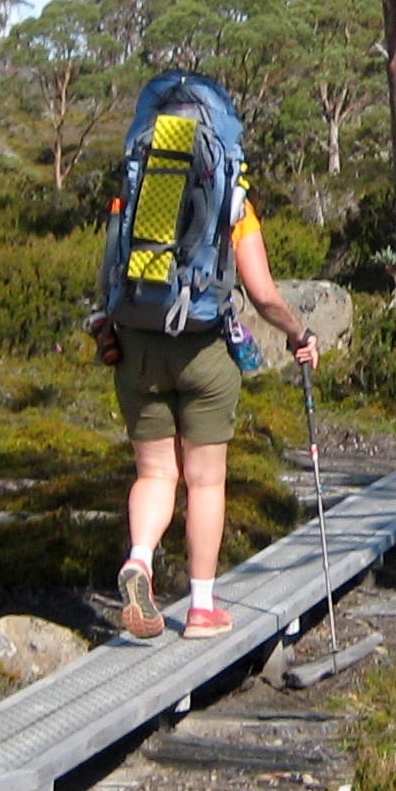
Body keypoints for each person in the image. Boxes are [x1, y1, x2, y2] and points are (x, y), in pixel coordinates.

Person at [108, 147, 317, 640]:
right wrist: (298, 333)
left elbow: (109, 279)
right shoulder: (232, 200)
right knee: (204, 482)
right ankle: (201, 609)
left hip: (137, 346)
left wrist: (105, 330)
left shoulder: (132, 194)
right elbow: (263, 294)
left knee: (156, 472)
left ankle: (140, 560)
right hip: (204, 351)